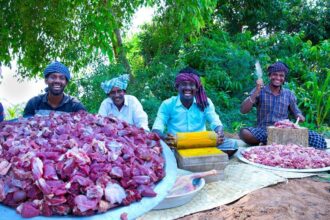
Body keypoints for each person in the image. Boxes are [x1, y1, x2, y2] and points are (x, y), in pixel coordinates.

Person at [239, 61, 327, 149]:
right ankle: (280, 144)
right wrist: (256, 91)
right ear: (270, 76)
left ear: (284, 78)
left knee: (317, 139)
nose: (278, 78)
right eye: (275, 74)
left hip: (285, 131)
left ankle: (274, 144)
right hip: (264, 131)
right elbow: (243, 110)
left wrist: (299, 116)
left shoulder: (288, 94)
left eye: (281, 75)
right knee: (244, 133)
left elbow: (296, 112)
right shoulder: (260, 90)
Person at [152, 67, 238, 156]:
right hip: (175, 145)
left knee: (232, 145)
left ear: (197, 87)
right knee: (154, 148)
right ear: (177, 86)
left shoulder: (204, 102)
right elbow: (157, 127)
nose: (188, 88)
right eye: (184, 84)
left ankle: (182, 161)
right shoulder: (168, 104)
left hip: (201, 143)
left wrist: (219, 132)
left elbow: (215, 121)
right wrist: (164, 138)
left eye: (192, 84)